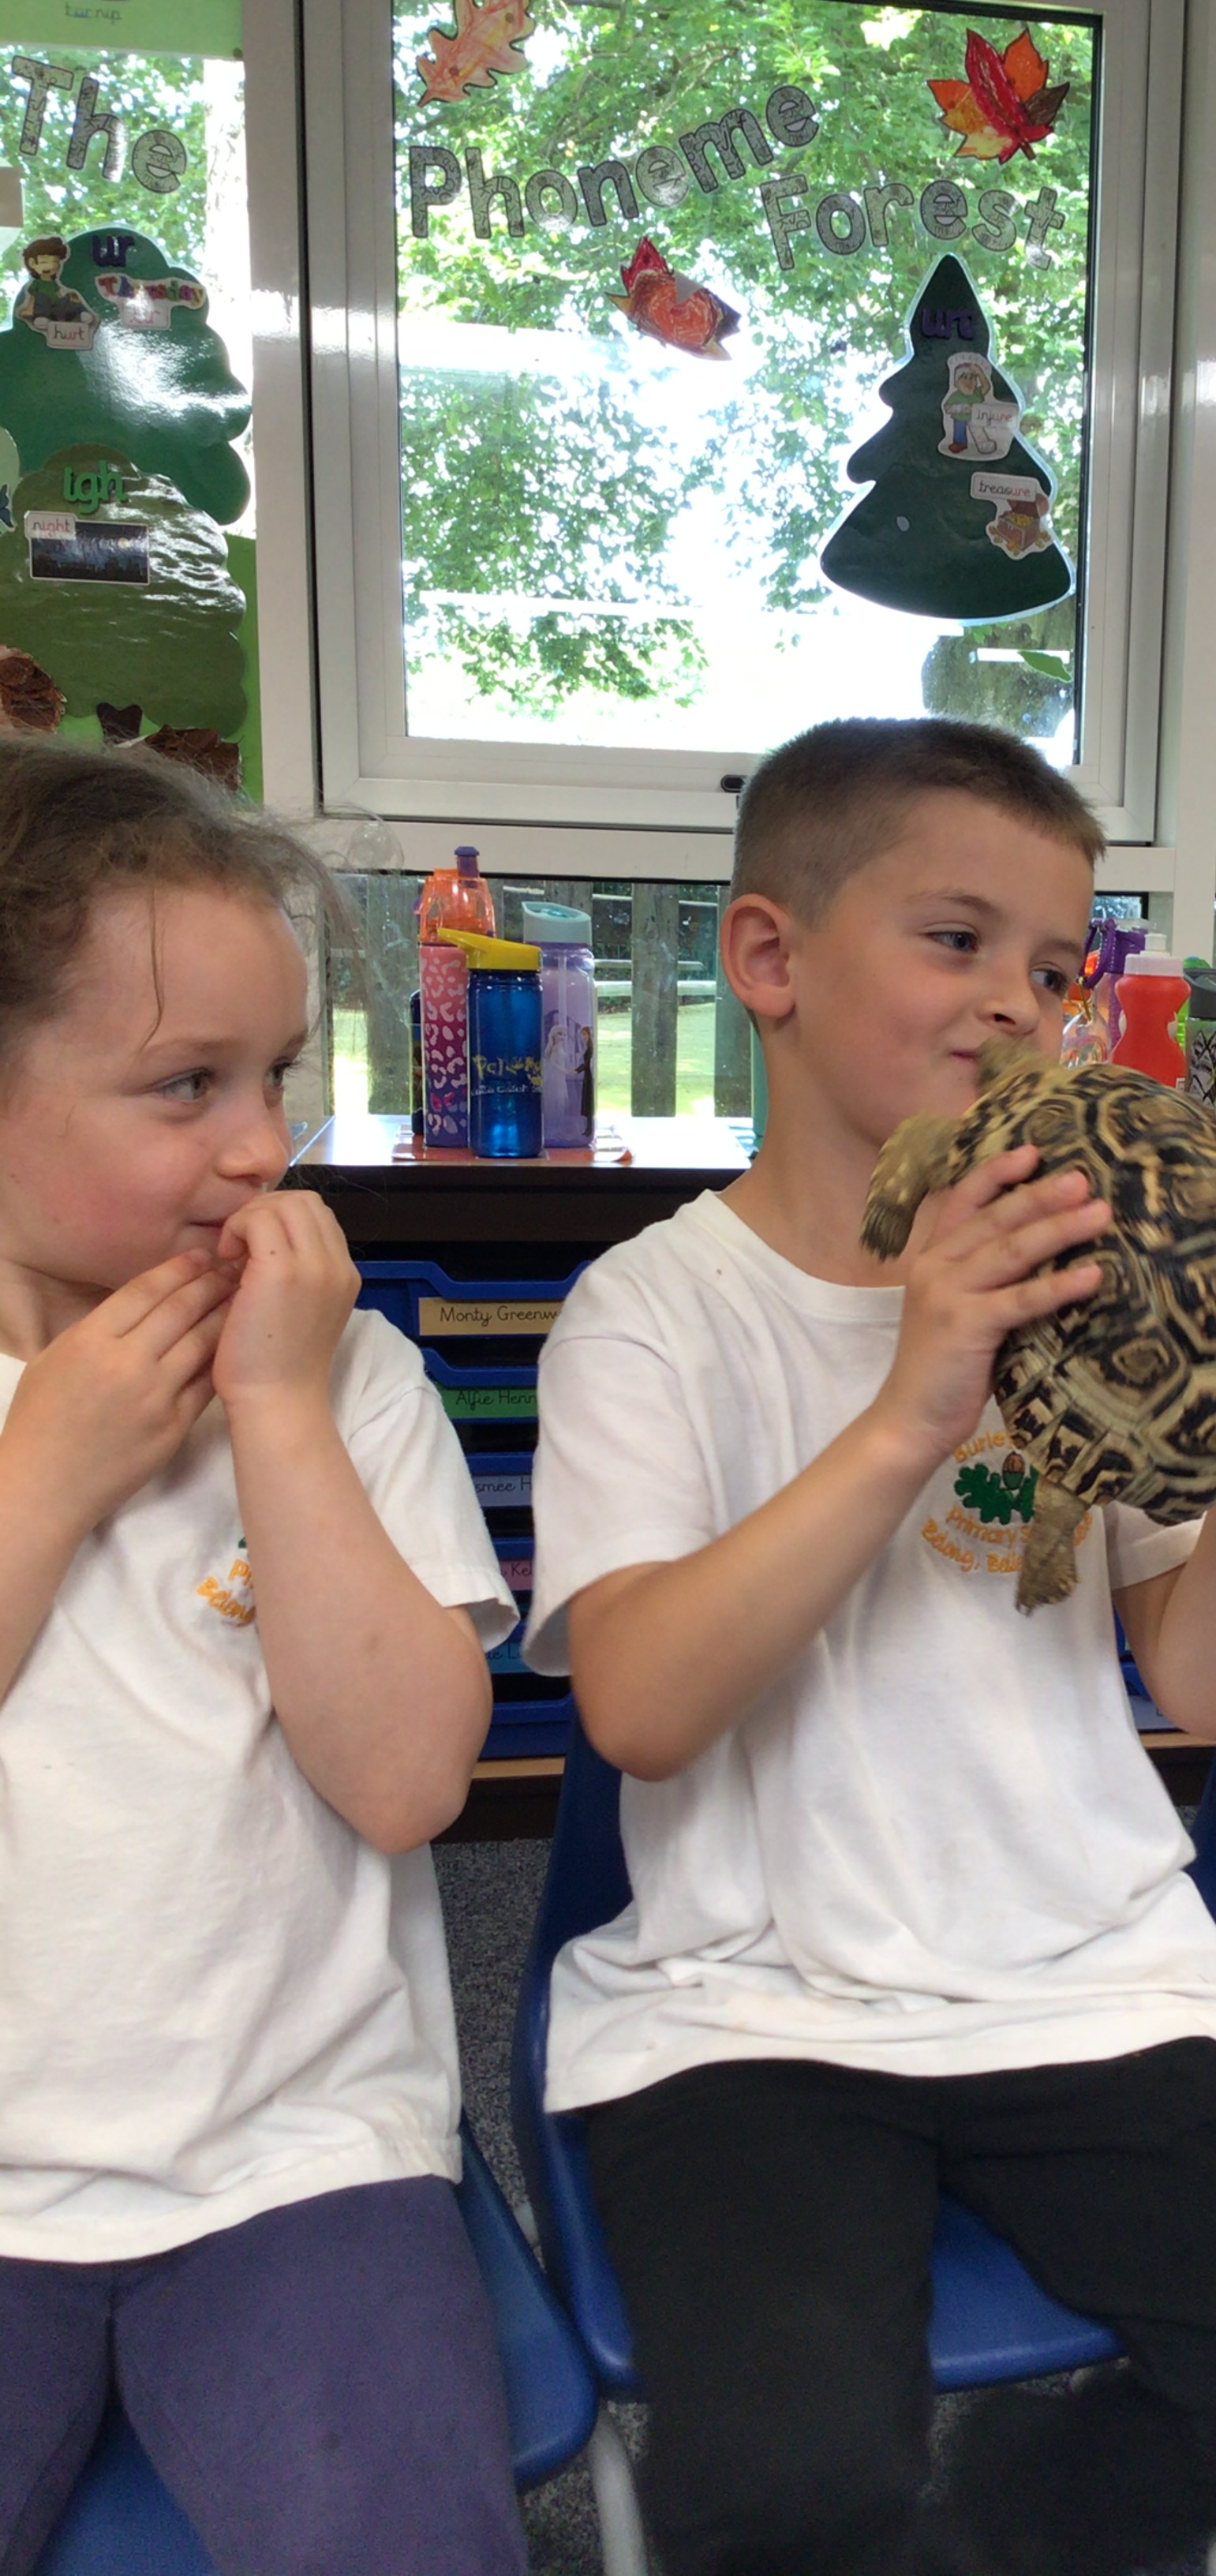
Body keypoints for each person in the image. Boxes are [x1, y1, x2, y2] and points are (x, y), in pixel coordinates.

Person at [524, 715, 1216, 2576]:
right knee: (781, 2487)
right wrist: (909, 1406)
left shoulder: (1083, 1275)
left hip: (1080, 1969)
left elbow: (1209, 1685)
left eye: (1056, 966)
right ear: (768, 959)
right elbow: (640, 1706)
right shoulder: (653, 1313)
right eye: (957, 940)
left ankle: (984, 2529)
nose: (1019, 1002)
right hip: (748, 2003)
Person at [0, 743, 527, 2576]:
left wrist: (283, 1415)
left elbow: (406, 1784)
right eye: (185, 1084)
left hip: (299, 2155)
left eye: (277, 1074)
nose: (259, 1145)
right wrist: (45, 1477)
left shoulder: (346, 1374)